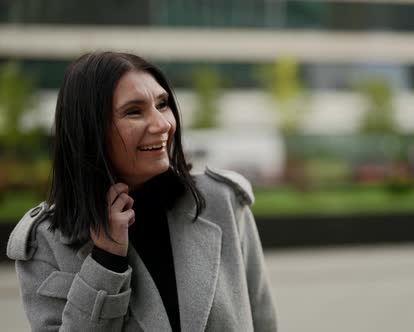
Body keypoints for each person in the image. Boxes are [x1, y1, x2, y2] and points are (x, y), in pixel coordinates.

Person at [6, 51, 277, 331]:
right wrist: (106, 260)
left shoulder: (222, 201)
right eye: (134, 111)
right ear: (90, 130)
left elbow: (263, 321)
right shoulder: (46, 243)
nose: (162, 124)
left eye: (162, 104)